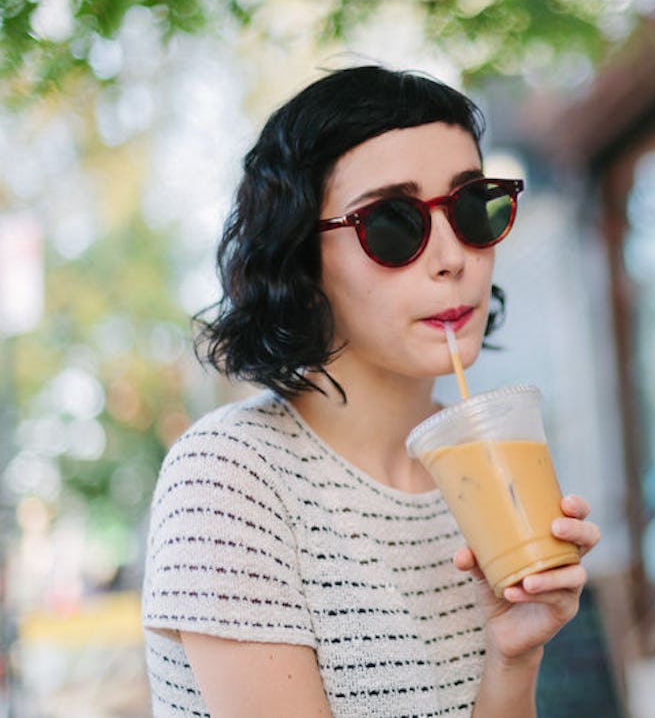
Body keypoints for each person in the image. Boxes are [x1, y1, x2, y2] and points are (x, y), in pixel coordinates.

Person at [141, 65, 600, 717]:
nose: (451, 257)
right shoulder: (230, 477)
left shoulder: (481, 481)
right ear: (302, 256)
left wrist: (514, 656)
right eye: (393, 223)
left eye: (475, 207)